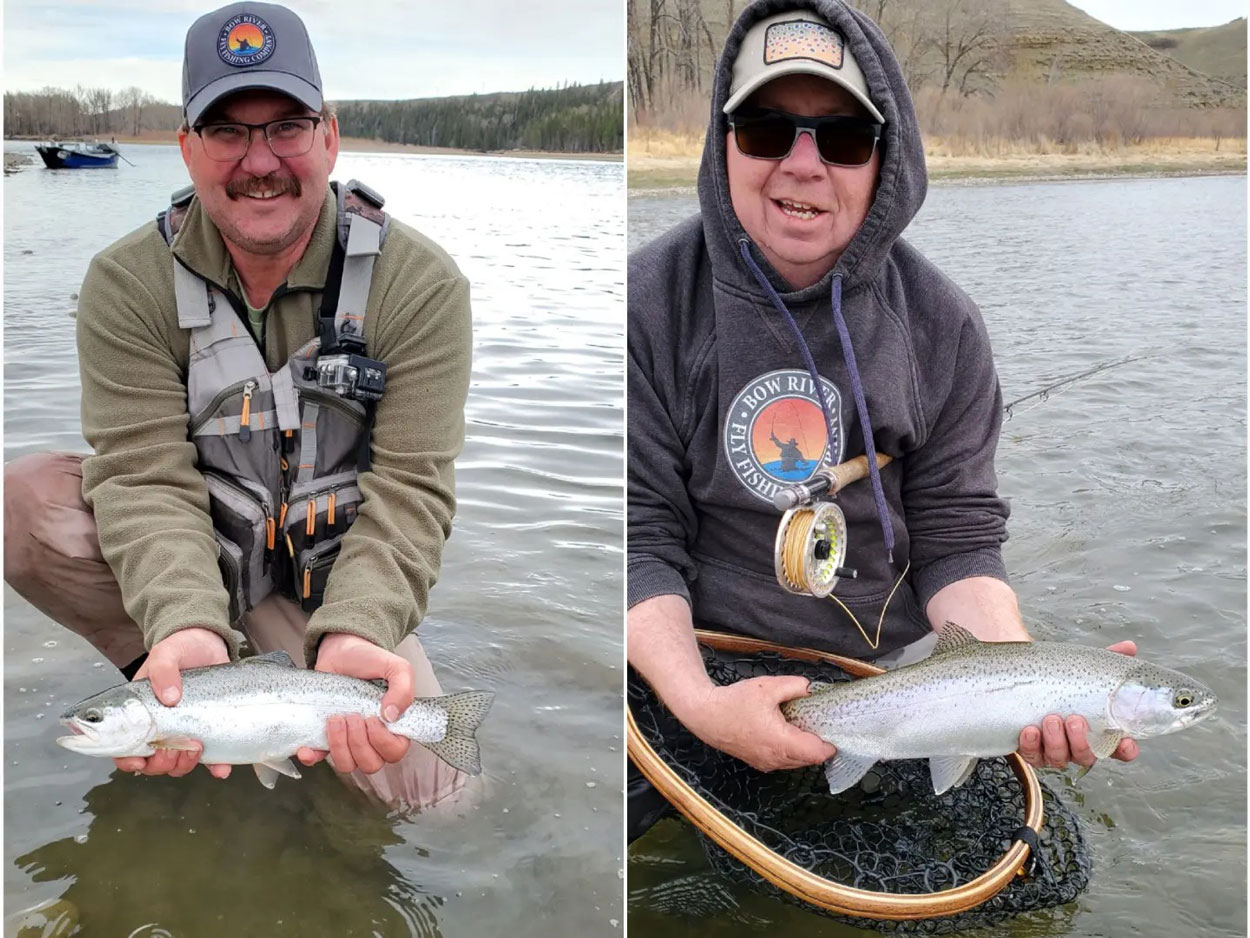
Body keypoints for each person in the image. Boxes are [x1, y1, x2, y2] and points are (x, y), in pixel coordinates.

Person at [626, 0, 1136, 834]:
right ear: (724, 143)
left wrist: (1026, 681)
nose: (802, 165)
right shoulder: (648, 304)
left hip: (884, 681)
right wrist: (701, 705)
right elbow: (638, 542)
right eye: (764, 129)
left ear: (883, 158)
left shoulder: (944, 326)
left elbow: (960, 539)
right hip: (690, 666)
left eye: (843, 138)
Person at [4, 1, 472, 809]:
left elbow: (411, 497)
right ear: (186, 149)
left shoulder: (420, 285)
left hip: (330, 587)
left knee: (438, 803)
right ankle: (176, 677)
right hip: (200, 560)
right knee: (25, 506)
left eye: (285, 126)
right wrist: (184, 623)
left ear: (329, 134)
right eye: (227, 132)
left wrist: (359, 627)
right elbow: (143, 478)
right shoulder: (126, 284)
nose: (260, 160)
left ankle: (276, 693)